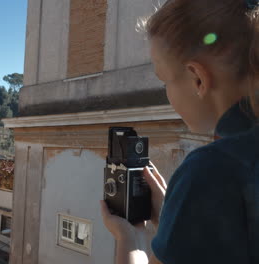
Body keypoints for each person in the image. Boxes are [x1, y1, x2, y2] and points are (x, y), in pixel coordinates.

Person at [100, 0, 259, 263]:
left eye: (165, 80)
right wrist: (172, 218)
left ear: (197, 78)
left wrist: (129, 238)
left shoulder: (210, 170)